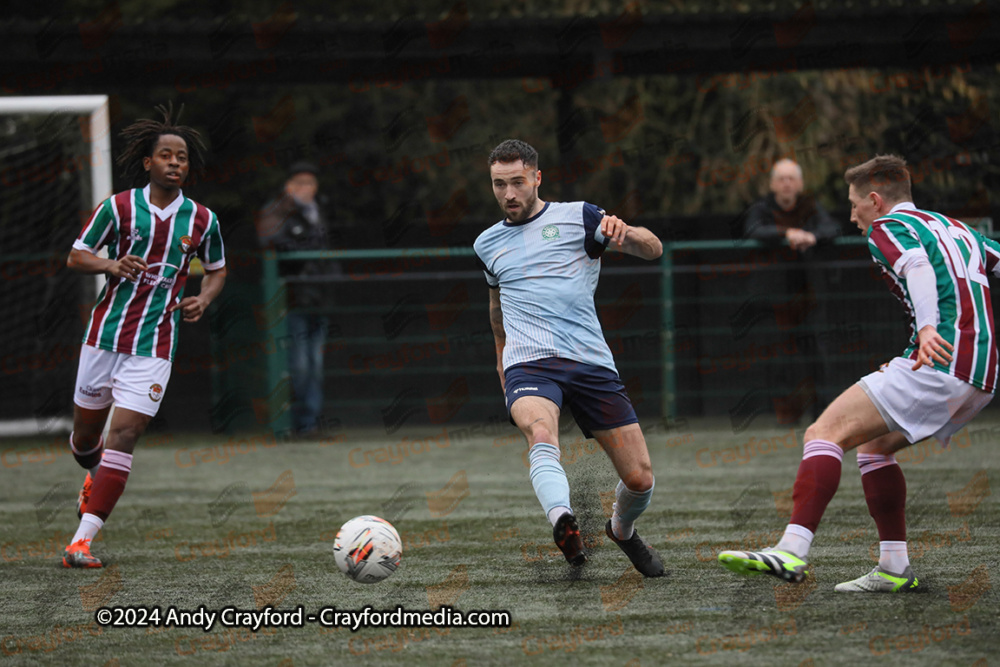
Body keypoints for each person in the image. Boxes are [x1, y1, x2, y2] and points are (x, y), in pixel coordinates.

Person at [718, 154, 996, 592]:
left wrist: (926, 329)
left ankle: (792, 550)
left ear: (875, 199)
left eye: (854, 204)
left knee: (823, 432)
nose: (851, 216)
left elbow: (917, 268)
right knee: (873, 448)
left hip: (940, 359)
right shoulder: (957, 228)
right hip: (981, 374)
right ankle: (893, 569)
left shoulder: (889, 228)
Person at [474, 139, 665, 577]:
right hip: (529, 364)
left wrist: (627, 233)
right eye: (499, 185)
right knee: (541, 432)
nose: (508, 194)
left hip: (589, 362)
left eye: (517, 182)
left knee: (639, 479)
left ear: (537, 178)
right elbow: (496, 309)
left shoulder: (579, 216)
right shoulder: (486, 244)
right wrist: (502, 361)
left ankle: (621, 529)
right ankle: (563, 521)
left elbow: (652, 250)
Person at [63, 103, 227, 568]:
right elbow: (76, 256)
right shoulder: (116, 208)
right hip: (103, 338)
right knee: (84, 442)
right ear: (148, 162)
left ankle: (82, 541)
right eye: (168, 155)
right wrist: (110, 263)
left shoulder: (202, 220)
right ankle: (91, 473)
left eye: (183, 158)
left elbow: (216, 271)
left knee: (127, 432)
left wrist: (204, 298)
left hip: (154, 345)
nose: (176, 163)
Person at [743, 158, 843, 418]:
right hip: (774, 299)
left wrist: (812, 236)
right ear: (772, 184)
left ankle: (822, 413)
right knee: (780, 357)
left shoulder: (810, 206)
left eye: (791, 179)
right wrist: (787, 233)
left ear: (799, 183)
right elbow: (753, 230)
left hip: (809, 295)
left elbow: (831, 228)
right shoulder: (761, 208)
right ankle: (786, 414)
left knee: (817, 353)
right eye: (781, 179)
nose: (786, 184)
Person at [256, 161, 334, 438]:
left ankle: (309, 424)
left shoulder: (318, 213)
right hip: (288, 302)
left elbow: (325, 255)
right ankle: (289, 424)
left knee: (315, 365)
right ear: (288, 187)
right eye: (298, 183)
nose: (305, 189)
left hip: (318, 300)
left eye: (310, 183)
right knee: (296, 366)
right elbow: (271, 240)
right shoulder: (278, 211)